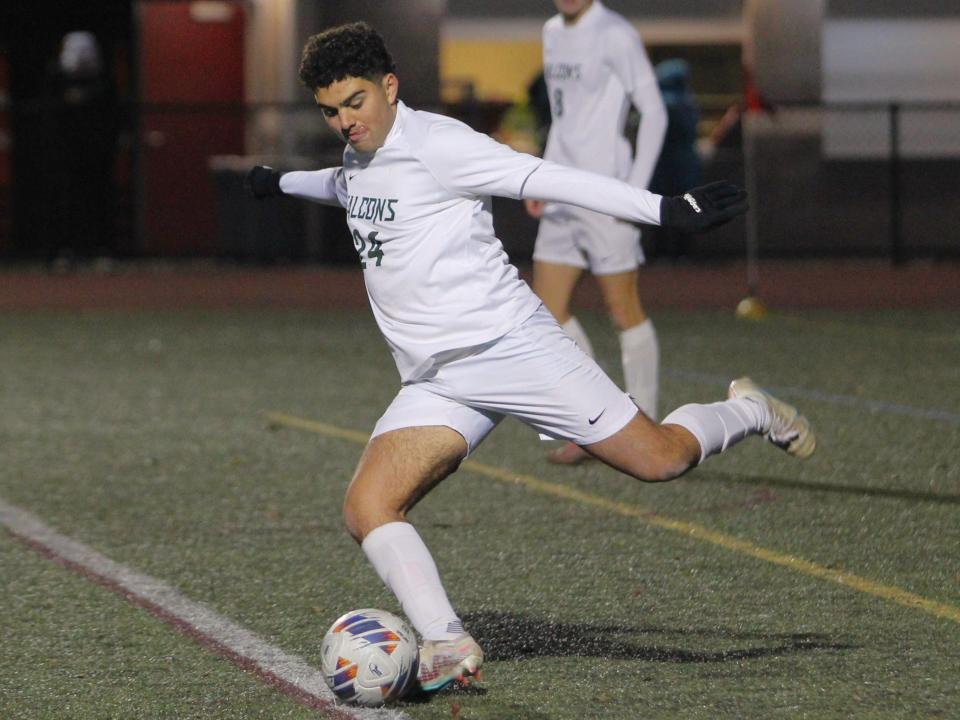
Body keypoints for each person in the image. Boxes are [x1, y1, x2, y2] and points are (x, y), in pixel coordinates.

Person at [247, 22, 814, 695]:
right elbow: (342, 187)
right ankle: (447, 643)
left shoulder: (441, 145)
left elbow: (547, 176)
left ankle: (747, 408)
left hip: (513, 348)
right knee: (368, 507)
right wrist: (278, 184)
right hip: (439, 378)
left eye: (356, 102)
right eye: (330, 109)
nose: (345, 120)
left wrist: (661, 209)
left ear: (390, 87)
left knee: (660, 459)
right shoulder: (361, 153)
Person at [524, 0, 667, 465]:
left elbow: (655, 112)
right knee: (546, 310)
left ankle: (644, 427)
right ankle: (598, 421)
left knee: (622, 309)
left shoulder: (614, 33)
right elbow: (563, 119)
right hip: (563, 191)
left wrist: (635, 194)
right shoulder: (551, 31)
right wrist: (542, 175)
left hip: (606, 193)